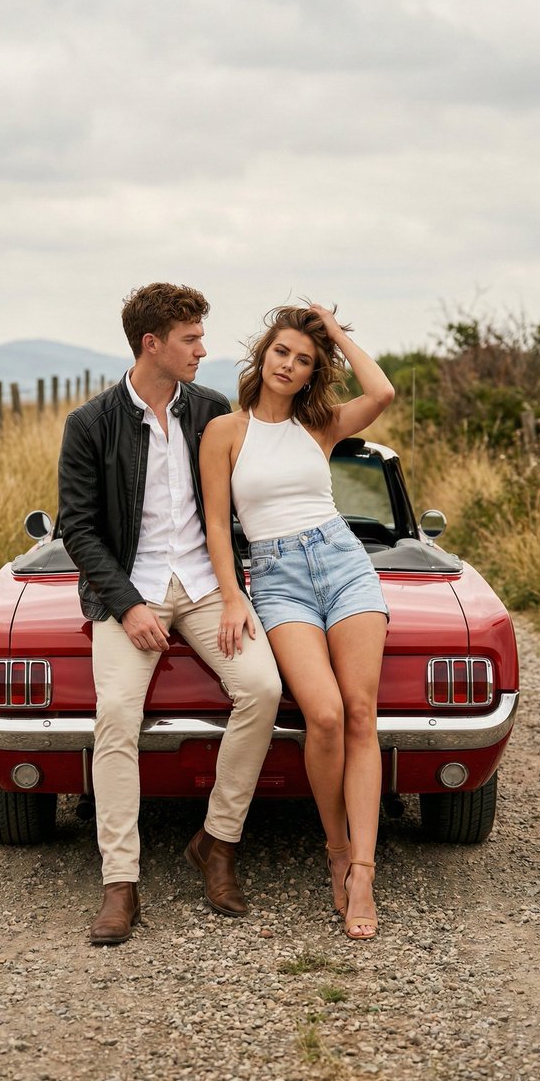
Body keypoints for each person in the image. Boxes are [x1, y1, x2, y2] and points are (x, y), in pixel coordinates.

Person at [58, 282, 282, 946]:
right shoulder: (90, 424)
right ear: (151, 343)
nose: (201, 350)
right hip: (131, 588)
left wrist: (238, 587)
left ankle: (216, 842)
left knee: (262, 690)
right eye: (190, 339)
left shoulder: (210, 413)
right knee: (116, 718)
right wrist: (126, 607)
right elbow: (79, 527)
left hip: (209, 586)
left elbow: (241, 505)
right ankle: (120, 883)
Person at [199, 303, 394, 941]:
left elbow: (383, 391)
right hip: (277, 579)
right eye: (283, 352)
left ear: (314, 372)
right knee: (326, 715)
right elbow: (218, 530)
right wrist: (232, 596)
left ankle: (361, 869)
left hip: (342, 563)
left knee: (361, 713)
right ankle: (335, 846)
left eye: (304, 360)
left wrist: (334, 331)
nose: (290, 365)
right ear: (264, 356)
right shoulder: (225, 432)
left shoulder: (322, 426)